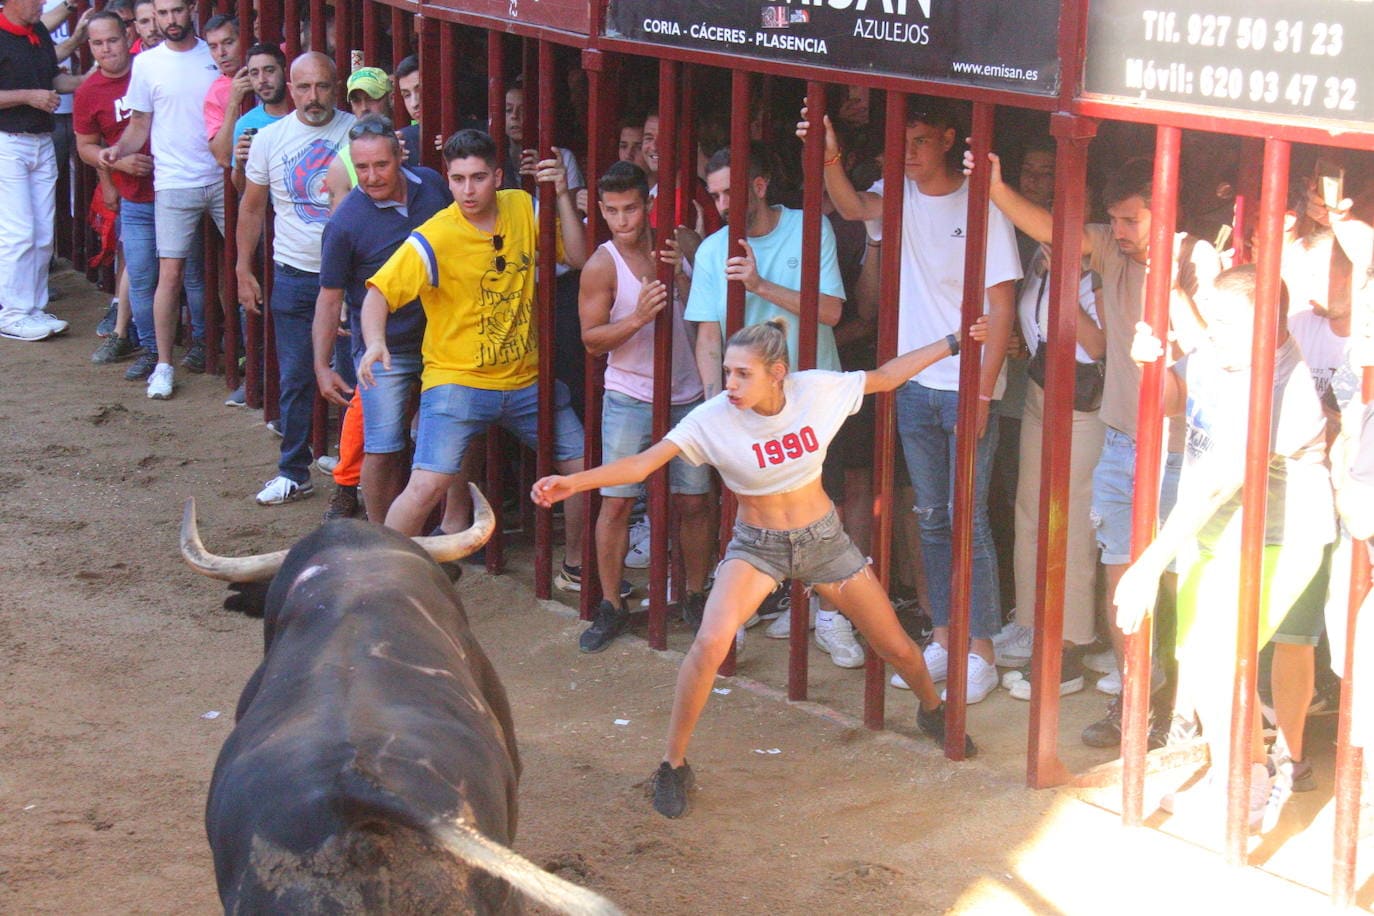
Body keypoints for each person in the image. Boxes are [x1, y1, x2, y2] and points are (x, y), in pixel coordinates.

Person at [532, 318, 984, 819]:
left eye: (743, 374)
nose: (730, 384)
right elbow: (643, 465)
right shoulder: (711, 418)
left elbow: (886, 376)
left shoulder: (818, 390)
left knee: (896, 645)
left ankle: (932, 710)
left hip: (824, 542)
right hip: (757, 546)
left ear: (778, 373)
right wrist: (573, 484)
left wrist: (952, 342)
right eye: (727, 371)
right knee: (708, 644)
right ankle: (673, 763)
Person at [969, 150, 1221, 741]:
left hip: (1180, 447)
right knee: (1120, 574)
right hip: (1120, 437)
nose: (1121, 232)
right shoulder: (1110, 245)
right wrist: (997, 188)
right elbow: (1052, 231)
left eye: (1133, 220)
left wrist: (1166, 278)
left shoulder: (1195, 258)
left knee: (1178, 577)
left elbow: (1213, 352)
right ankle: (1137, 698)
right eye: (1117, 220)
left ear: (1165, 215)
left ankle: (1182, 707)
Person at [799, 101, 1021, 704]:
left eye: (921, 141)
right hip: (917, 383)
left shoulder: (982, 204)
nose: (910, 154)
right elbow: (849, 206)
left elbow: (1002, 307)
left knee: (967, 520)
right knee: (932, 518)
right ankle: (947, 641)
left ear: (948, 139)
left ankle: (982, 651)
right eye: (903, 143)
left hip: (965, 386)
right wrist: (829, 155)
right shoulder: (898, 193)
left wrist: (981, 391)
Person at [1117, 265, 1332, 831]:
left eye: (1227, 323)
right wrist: (1151, 365)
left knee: (1220, 657)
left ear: (1271, 322)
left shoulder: (1290, 385)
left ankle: (1248, 781)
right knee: (1200, 656)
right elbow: (1171, 399)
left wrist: (1148, 563)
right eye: (1210, 321)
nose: (1212, 333)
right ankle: (1238, 773)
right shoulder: (1218, 350)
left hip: (1281, 537)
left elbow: (1223, 480)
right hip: (1214, 532)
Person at [358, 128, 589, 575]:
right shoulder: (435, 235)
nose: (468, 189)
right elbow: (378, 294)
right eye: (459, 178)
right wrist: (375, 341)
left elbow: (578, 257)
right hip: (457, 382)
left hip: (526, 381)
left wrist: (561, 194)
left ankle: (575, 567)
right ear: (448, 179)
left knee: (580, 468)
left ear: (497, 177)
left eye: (479, 177)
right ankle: (377, 574)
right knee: (425, 484)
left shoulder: (524, 206)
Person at [576, 160, 712, 652]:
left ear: (648, 205)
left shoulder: (680, 244)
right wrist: (636, 318)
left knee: (694, 499)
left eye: (630, 209)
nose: (621, 220)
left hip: (689, 392)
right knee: (616, 502)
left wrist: (684, 280)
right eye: (611, 211)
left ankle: (696, 594)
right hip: (631, 393)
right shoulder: (602, 263)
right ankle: (612, 604)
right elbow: (591, 340)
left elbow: (714, 303)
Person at [314, 114, 449, 522]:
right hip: (386, 347)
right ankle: (380, 538)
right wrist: (322, 366)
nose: (371, 177)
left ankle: (444, 528)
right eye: (362, 167)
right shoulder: (344, 223)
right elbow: (328, 297)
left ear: (399, 156)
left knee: (448, 438)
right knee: (383, 445)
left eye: (381, 165)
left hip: (444, 338)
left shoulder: (434, 186)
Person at [236, 52, 355, 505]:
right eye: (303, 87)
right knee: (295, 377)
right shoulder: (269, 138)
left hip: (347, 279)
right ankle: (293, 469)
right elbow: (251, 207)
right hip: (294, 272)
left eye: (322, 86)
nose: (313, 97)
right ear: (290, 87)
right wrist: (243, 268)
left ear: (336, 86)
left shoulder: (355, 132)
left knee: (349, 378)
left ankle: (350, 474)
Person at [100, 0, 224, 398]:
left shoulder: (215, 53)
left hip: (221, 174)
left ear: (190, 9)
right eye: (162, 13)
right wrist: (117, 152)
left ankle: (246, 354)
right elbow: (140, 124)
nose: (170, 20)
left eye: (176, 11)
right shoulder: (147, 63)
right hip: (172, 180)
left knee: (242, 263)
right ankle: (164, 364)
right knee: (169, 274)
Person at [73, 10, 155, 365]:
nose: (106, 50)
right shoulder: (89, 91)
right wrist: (115, 166)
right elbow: (86, 146)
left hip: (173, 181)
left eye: (112, 40)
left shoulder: (150, 68)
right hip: (131, 190)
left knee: (192, 270)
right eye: (97, 43)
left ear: (127, 36)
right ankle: (131, 335)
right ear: (89, 46)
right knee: (135, 265)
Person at [322, 66, 419, 205]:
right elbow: (341, 223)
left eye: (371, 98)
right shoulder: (341, 163)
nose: (364, 107)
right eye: (356, 101)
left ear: (391, 98)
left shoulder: (417, 136)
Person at [221, 41, 289, 191]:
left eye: (269, 70)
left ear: (284, 71)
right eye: (254, 73)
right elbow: (243, 189)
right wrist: (239, 166)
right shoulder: (246, 124)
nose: (262, 80)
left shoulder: (304, 114)